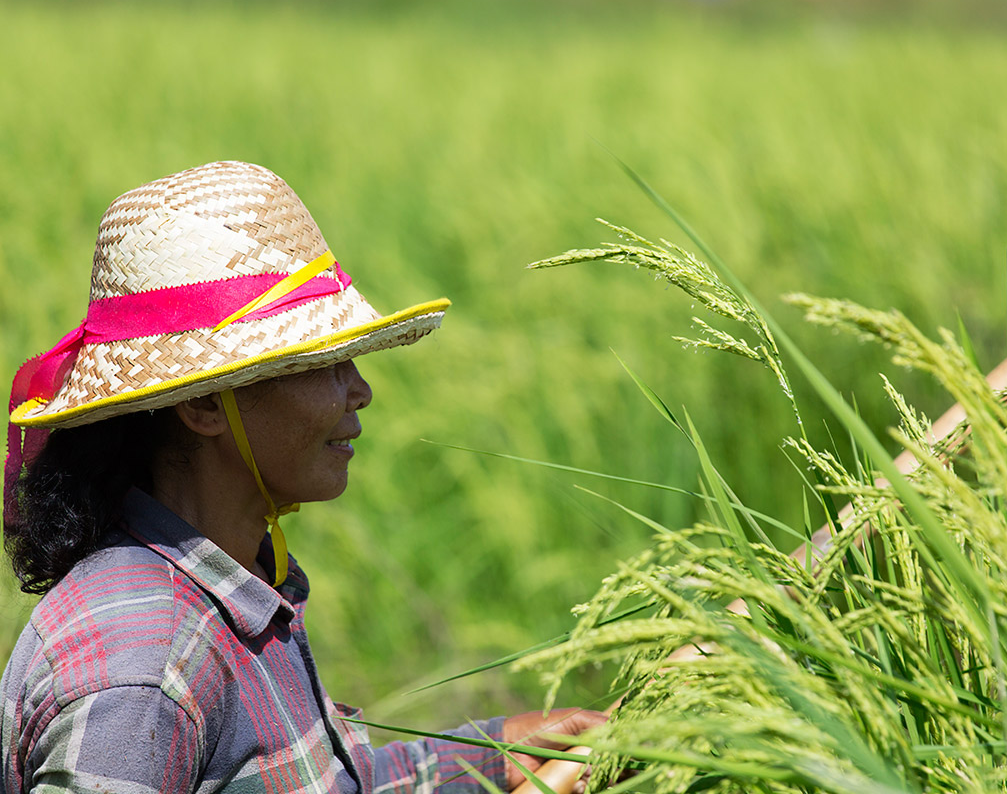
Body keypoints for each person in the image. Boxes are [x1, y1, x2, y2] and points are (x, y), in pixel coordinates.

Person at [0, 161, 602, 793]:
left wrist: (499, 753)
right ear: (204, 404)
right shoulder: (147, 671)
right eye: (322, 363)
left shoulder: (235, 580)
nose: (361, 390)